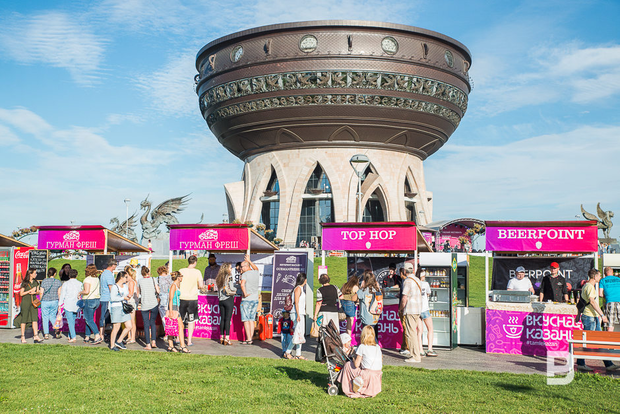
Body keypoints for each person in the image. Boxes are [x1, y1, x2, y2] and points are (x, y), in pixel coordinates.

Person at [576, 269, 618, 371]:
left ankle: (608, 364)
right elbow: (592, 301)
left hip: (592, 316)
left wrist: (578, 315)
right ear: (595, 276)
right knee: (587, 341)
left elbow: (581, 302)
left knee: (600, 341)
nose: (600, 277)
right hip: (590, 317)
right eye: (599, 276)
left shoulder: (586, 286)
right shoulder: (590, 287)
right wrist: (602, 315)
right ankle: (581, 363)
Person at [338, 325, 383, 398]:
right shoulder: (377, 347)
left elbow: (356, 364)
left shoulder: (362, 346)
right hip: (377, 376)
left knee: (348, 365)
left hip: (367, 376)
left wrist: (353, 357)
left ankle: (348, 388)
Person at [400, 262, 422, 363]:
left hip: (410, 309)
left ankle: (415, 356)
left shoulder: (408, 281)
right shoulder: (417, 280)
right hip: (418, 309)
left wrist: (401, 308)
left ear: (405, 271)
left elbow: (404, 298)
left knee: (410, 333)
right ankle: (416, 354)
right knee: (413, 332)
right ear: (412, 270)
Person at [179, 255, 203, 346]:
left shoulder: (181, 271)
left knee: (180, 319)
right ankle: (189, 341)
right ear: (195, 262)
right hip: (192, 298)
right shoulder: (197, 272)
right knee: (191, 320)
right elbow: (201, 285)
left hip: (182, 297)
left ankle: (178, 338)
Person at [15, 268, 42, 343]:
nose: (36, 274)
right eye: (35, 273)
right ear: (30, 274)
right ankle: (23, 336)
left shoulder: (36, 282)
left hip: (34, 302)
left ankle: (36, 335)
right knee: (24, 319)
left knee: (34, 319)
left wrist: (35, 292)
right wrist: (29, 291)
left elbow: (38, 291)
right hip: (26, 302)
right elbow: (21, 293)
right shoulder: (25, 282)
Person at [284, 273, 307, 360]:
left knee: (300, 333)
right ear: (304, 280)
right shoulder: (298, 289)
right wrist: (298, 314)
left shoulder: (300, 288)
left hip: (300, 313)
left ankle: (298, 354)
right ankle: (287, 352)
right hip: (297, 313)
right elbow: (296, 302)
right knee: (297, 333)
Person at [137, 266, 160, 350]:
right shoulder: (153, 279)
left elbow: (138, 293)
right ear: (148, 272)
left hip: (144, 304)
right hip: (153, 303)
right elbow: (158, 291)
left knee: (146, 324)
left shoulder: (139, 281)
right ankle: (153, 341)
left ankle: (148, 344)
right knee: (153, 322)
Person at [109, 271, 132, 351]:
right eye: (126, 277)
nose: (127, 279)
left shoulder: (125, 286)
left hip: (124, 307)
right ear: (121, 277)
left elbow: (125, 294)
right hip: (116, 307)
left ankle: (119, 341)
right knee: (116, 327)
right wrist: (123, 298)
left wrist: (128, 296)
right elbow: (113, 298)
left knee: (129, 326)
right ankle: (112, 345)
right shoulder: (115, 287)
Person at [58, 269, 83, 343]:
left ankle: (73, 337)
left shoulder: (66, 284)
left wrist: (60, 304)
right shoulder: (80, 283)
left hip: (68, 304)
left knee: (70, 322)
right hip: (76, 304)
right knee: (72, 321)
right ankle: (70, 335)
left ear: (69, 275)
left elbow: (62, 294)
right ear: (76, 275)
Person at [239, 255, 260, 345]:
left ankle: (248, 338)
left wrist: (245, 293)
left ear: (246, 266)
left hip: (247, 299)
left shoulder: (245, 274)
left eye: (242, 267)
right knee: (251, 320)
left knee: (246, 320)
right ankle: (250, 338)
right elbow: (256, 268)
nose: (241, 268)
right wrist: (249, 261)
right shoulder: (255, 272)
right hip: (255, 299)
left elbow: (242, 284)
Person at [80, 264, 103, 344]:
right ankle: (87, 336)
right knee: (89, 319)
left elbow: (86, 291)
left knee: (88, 319)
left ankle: (97, 335)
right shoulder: (96, 279)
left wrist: (80, 292)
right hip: (96, 299)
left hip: (88, 300)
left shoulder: (87, 279)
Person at [417, 269, 437, 357]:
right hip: (425, 309)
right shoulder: (426, 284)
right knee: (430, 329)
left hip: (417, 309)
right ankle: (430, 349)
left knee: (419, 331)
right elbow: (428, 293)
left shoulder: (415, 283)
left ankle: (420, 350)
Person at [167, 271, 188, 353]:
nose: (182, 278)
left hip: (176, 307)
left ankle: (171, 345)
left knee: (172, 326)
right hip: (174, 307)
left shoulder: (176, 285)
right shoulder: (173, 286)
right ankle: (182, 346)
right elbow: (170, 299)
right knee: (180, 326)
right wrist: (171, 311)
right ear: (178, 277)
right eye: (181, 276)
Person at [215, 263, 236, 345]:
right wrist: (236, 288)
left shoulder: (219, 277)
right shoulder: (229, 276)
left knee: (222, 319)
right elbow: (232, 287)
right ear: (227, 268)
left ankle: (221, 337)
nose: (231, 269)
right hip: (228, 298)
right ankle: (227, 338)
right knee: (228, 319)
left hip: (221, 300)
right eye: (230, 267)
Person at [357, 271, 382, 339]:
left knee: (367, 337)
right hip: (375, 317)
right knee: (374, 336)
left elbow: (354, 298)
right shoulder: (377, 289)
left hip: (366, 317)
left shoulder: (363, 290)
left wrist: (361, 287)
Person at [39, 267, 62, 340]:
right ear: (54, 274)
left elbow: (41, 292)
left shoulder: (44, 281)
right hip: (54, 301)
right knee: (53, 317)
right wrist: (60, 303)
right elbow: (59, 293)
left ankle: (46, 334)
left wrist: (41, 300)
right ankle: (56, 329)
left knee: (45, 317)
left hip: (45, 301)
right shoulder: (58, 282)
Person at [99, 258, 117, 341]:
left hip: (104, 297)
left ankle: (102, 334)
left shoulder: (104, 273)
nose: (116, 267)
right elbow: (111, 288)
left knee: (104, 317)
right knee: (105, 317)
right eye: (115, 265)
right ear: (113, 265)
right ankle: (102, 335)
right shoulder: (109, 274)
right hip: (107, 298)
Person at [599, 266, 620, 332]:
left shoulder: (602, 280)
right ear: (612, 272)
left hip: (610, 302)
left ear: (604, 273)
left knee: (610, 325)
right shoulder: (618, 279)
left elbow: (600, 294)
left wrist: (606, 296)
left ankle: (609, 337)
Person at [157, 265, 173, 336]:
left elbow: (158, 291)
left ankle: (167, 333)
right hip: (170, 299)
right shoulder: (170, 278)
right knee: (171, 316)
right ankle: (172, 331)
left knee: (164, 317)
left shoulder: (158, 279)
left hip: (162, 299)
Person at [124, 266, 138, 344]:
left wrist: (123, 296)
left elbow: (131, 293)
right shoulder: (128, 282)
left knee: (132, 321)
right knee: (128, 320)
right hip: (128, 302)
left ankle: (133, 337)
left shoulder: (131, 282)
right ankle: (129, 336)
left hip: (131, 302)